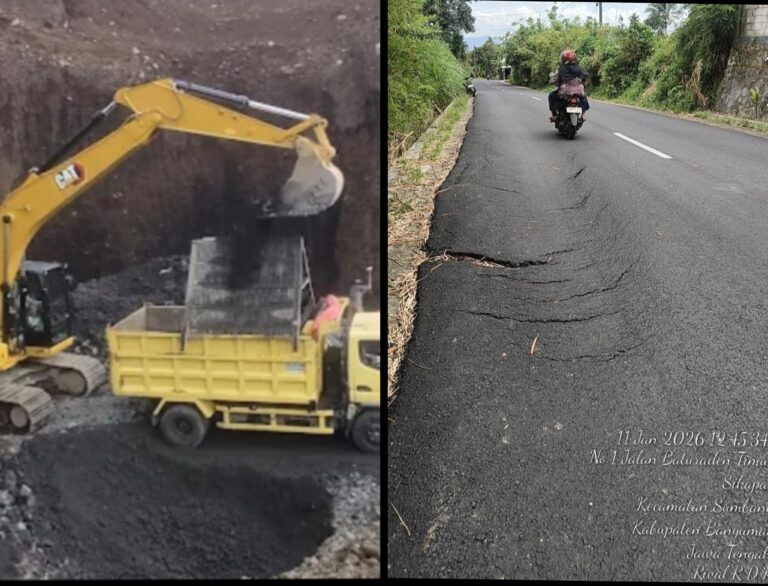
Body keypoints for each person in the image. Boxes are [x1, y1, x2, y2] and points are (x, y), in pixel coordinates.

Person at [548, 50, 590, 122]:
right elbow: (585, 79)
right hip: (579, 92)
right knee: (584, 98)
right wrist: (583, 85)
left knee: (551, 96)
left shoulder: (562, 69)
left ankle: (554, 114)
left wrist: (554, 81)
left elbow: (557, 79)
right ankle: (583, 115)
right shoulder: (580, 68)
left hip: (565, 92)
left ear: (564, 59)